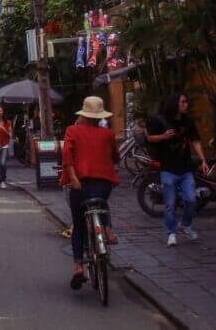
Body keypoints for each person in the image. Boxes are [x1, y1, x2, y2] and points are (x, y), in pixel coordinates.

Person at [62, 96, 119, 291]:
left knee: (78, 225)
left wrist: (73, 177)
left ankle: (78, 266)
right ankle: (108, 229)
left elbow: (67, 156)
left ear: (83, 114)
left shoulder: (73, 130)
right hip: (104, 183)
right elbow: (115, 157)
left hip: (80, 184)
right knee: (102, 203)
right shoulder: (108, 134)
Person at [146, 94, 209, 246]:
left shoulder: (187, 121)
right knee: (170, 204)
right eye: (183, 102)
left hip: (185, 167)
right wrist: (163, 136)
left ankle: (185, 225)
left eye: (187, 101)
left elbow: (195, 140)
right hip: (167, 168)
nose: (186, 104)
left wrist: (203, 159)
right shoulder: (159, 120)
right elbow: (150, 138)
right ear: (174, 104)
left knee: (191, 199)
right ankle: (171, 233)